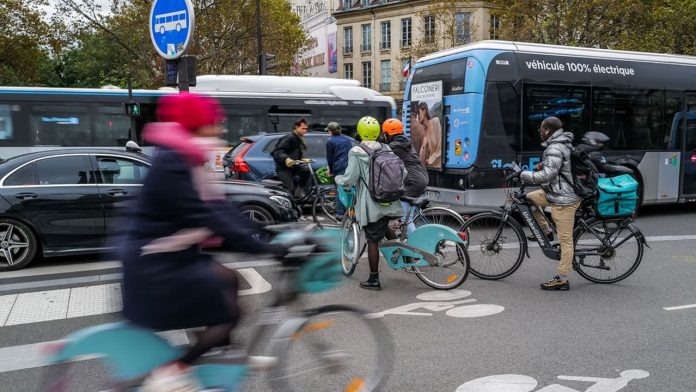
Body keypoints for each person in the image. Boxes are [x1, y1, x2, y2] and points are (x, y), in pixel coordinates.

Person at [119, 93, 286, 389]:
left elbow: (220, 208)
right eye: (214, 122)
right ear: (198, 124)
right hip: (154, 263)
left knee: (228, 280)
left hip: (172, 255)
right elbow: (206, 214)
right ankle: (173, 371)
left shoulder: (188, 157)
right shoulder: (175, 161)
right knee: (229, 314)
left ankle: (225, 353)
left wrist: (269, 235)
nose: (219, 128)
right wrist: (263, 247)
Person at [508, 116, 581, 291]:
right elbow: (556, 168)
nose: (539, 131)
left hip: (565, 198)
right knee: (529, 198)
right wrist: (543, 165)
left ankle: (562, 279)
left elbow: (547, 176)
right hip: (554, 191)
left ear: (548, 130)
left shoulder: (555, 147)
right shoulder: (558, 145)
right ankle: (546, 232)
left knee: (565, 241)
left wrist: (522, 175)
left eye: (541, 129)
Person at [335, 116, 404, 291]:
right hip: (391, 198)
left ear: (359, 132)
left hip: (372, 203)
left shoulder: (357, 151)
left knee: (372, 240)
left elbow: (349, 179)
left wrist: (338, 179)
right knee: (383, 225)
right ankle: (400, 254)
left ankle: (374, 279)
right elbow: (403, 172)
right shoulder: (386, 148)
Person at [381, 118, 428, 234]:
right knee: (410, 215)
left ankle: (417, 247)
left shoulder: (393, 146)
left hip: (414, 182)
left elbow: (381, 156)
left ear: (387, 134)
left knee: (406, 220)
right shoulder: (404, 142)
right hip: (422, 178)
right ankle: (425, 234)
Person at [272, 118, 311, 199]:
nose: (305, 131)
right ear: (296, 127)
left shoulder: (298, 138)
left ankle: (299, 190)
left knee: (306, 170)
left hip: (293, 166)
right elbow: (278, 151)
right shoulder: (290, 137)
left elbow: (295, 153)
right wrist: (286, 159)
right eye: (303, 128)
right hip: (283, 168)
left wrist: (302, 159)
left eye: (306, 129)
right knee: (291, 190)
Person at [325, 121, 353, 219]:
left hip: (338, 168)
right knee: (349, 189)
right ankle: (350, 211)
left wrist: (331, 171)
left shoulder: (330, 141)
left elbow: (330, 159)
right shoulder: (347, 140)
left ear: (331, 131)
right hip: (349, 167)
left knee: (339, 190)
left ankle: (340, 214)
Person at [417, 102, 442, 168]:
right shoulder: (422, 130)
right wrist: (423, 147)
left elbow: (441, 144)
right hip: (429, 167)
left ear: (424, 111)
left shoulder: (435, 121)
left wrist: (432, 159)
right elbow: (422, 159)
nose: (418, 117)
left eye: (418, 113)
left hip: (438, 165)